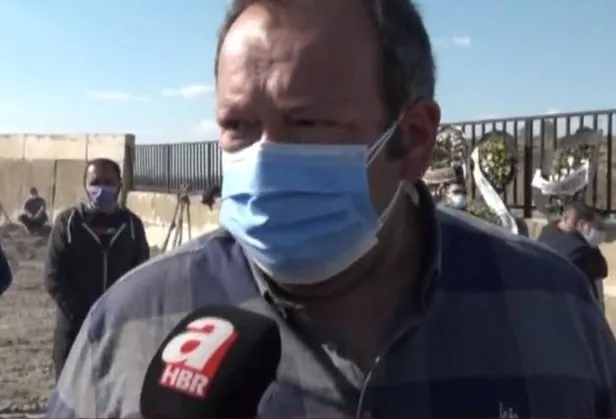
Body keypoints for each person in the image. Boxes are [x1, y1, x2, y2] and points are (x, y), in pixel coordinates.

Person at [48, 1, 616, 417]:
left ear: (414, 138)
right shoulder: (130, 326)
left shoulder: (551, 309)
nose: (263, 162)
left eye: (308, 124)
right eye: (238, 126)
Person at [44, 157, 150, 382]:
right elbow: (53, 277)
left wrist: (118, 315)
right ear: (85, 185)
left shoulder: (132, 226)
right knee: (69, 394)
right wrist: (85, 316)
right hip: (74, 332)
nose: (102, 188)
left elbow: (142, 276)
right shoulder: (68, 223)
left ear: (119, 185)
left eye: (109, 182)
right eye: (95, 182)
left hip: (118, 332)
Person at [537, 201, 608, 302]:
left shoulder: (544, 237)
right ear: (583, 225)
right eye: (598, 227)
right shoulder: (581, 250)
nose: (600, 231)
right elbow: (600, 270)